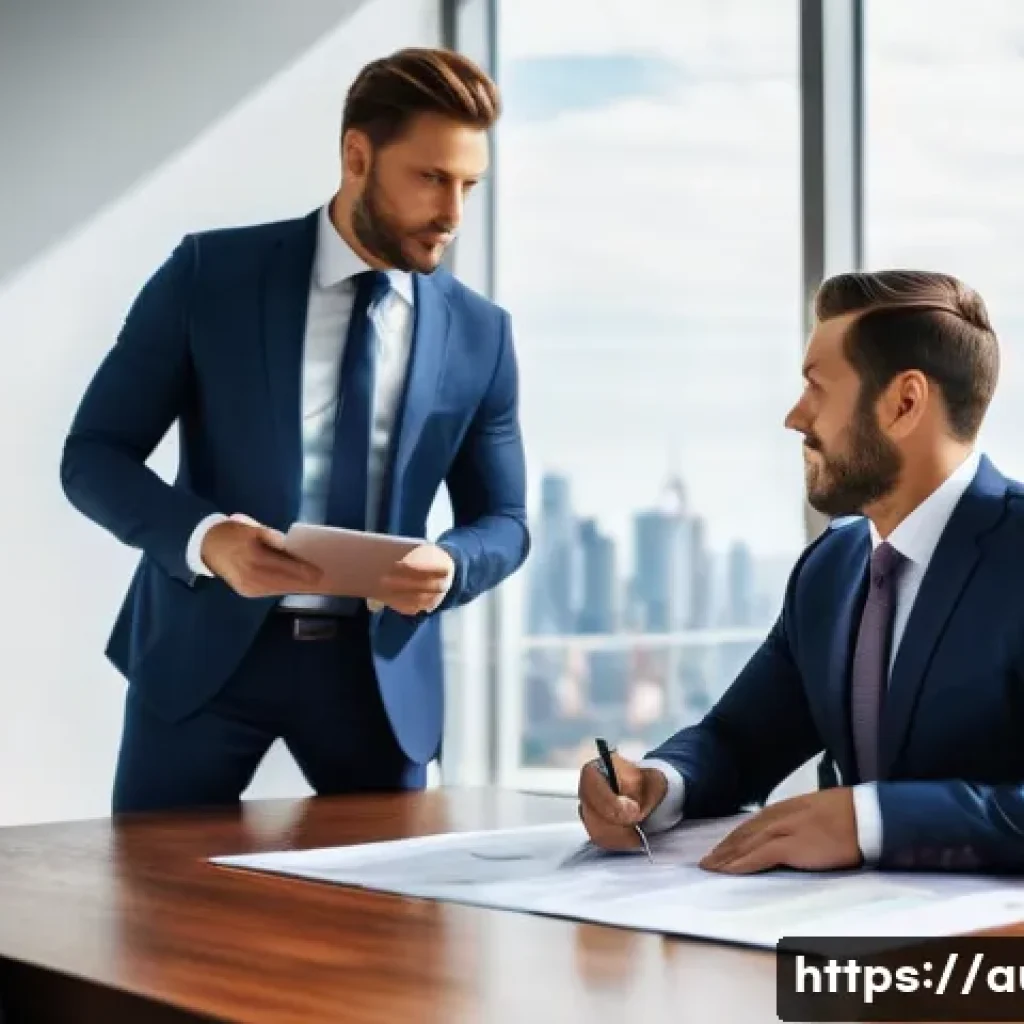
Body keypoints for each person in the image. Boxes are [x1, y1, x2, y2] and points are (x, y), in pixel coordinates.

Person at [60, 48, 529, 813]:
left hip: (375, 682)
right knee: (153, 915)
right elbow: (93, 457)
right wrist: (206, 538)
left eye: (469, 185)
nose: (452, 213)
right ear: (356, 155)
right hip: (201, 660)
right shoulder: (210, 275)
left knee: (384, 928)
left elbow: (505, 522)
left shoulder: (481, 334)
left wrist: (451, 566)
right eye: (430, 177)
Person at [578, 269, 1024, 874]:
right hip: (850, 942)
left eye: (817, 386)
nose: (795, 416)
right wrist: (657, 782)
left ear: (905, 403)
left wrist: (870, 821)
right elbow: (738, 740)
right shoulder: (830, 569)